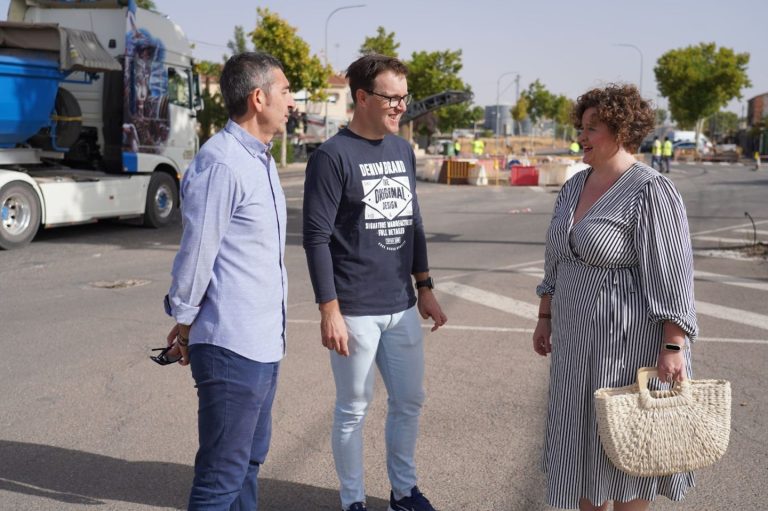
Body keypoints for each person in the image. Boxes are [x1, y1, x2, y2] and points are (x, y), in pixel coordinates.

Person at [532, 84, 697, 511]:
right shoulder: (574, 186)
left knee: (625, 453)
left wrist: (674, 345)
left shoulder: (650, 190)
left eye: (593, 128)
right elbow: (556, 258)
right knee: (581, 456)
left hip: (624, 348)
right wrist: (544, 315)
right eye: (580, 127)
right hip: (574, 347)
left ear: (622, 130)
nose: (581, 136)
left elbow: (673, 275)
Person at [303, 54, 448, 511]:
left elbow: (413, 224)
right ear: (362, 97)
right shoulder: (331, 157)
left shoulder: (402, 150)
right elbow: (316, 237)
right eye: (392, 97)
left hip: (402, 304)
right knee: (353, 409)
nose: (401, 107)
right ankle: (352, 501)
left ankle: (403, 492)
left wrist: (424, 286)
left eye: (405, 98)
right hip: (355, 310)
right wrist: (330, 309)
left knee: (409, 401)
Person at [162, 51, 295, 510]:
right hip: (231, 346)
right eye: (285, 91)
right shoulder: (221, 163)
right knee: (221, 477)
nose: (291, 102)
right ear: (259, 98)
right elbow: (196, 255)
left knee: (248, 465)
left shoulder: (260, 159)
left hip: (263, 343)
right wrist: (184, 322)